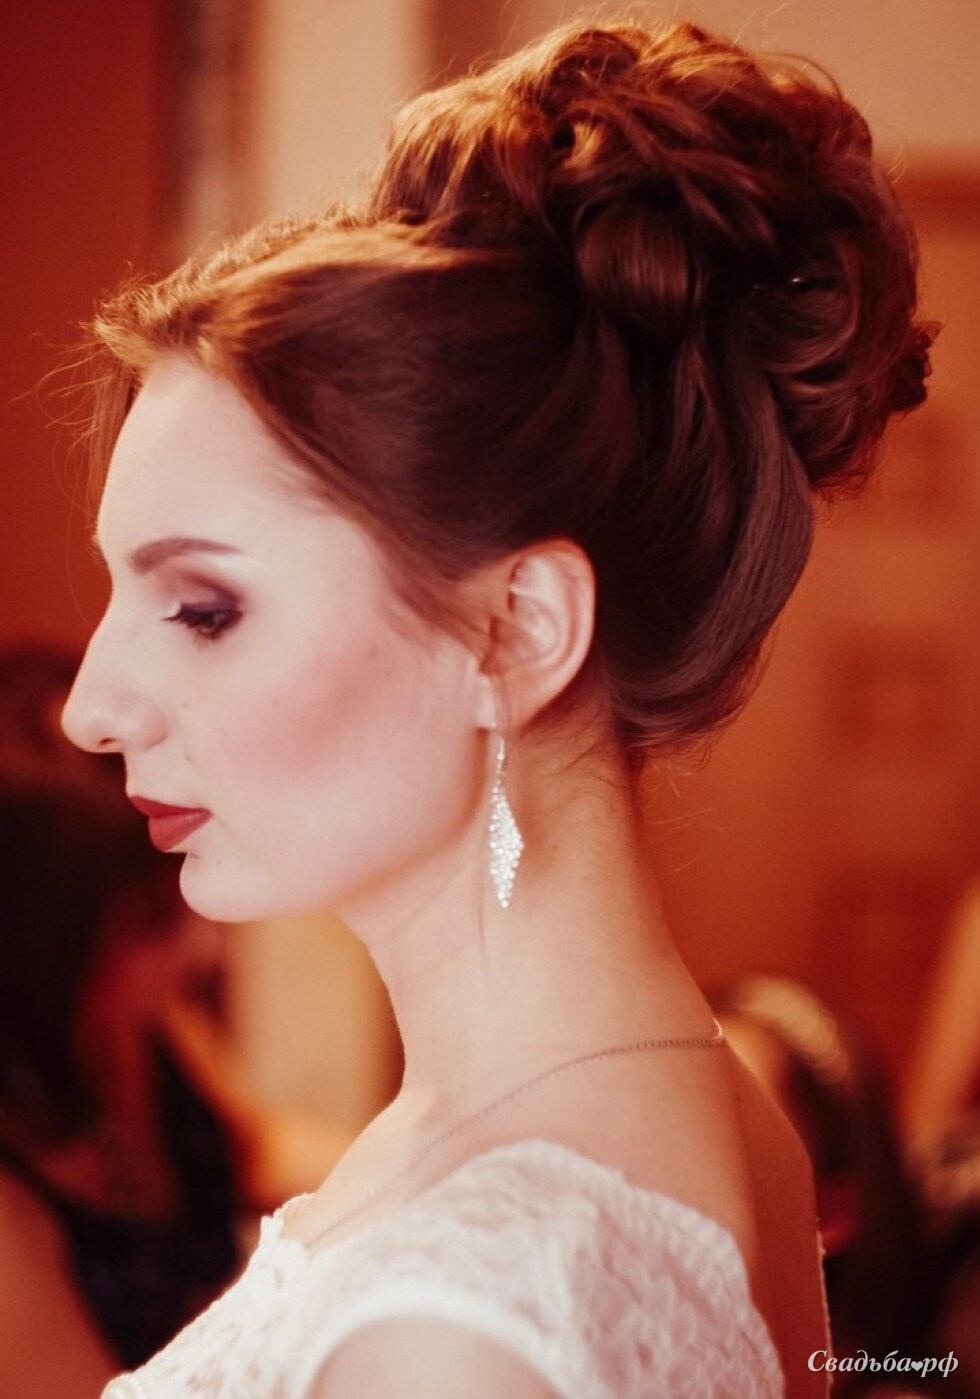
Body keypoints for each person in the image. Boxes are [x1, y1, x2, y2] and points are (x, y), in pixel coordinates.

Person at [60, 19, 931, 1398]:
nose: (91, 710)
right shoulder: (714, 1111)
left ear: (517, 629)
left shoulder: (457, 1326)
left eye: (204, 609)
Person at [0, 643, 348, 1398]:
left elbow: (260, 1149)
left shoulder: (144, 1030)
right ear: (36, 942)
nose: (207, 945)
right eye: (153, 920)